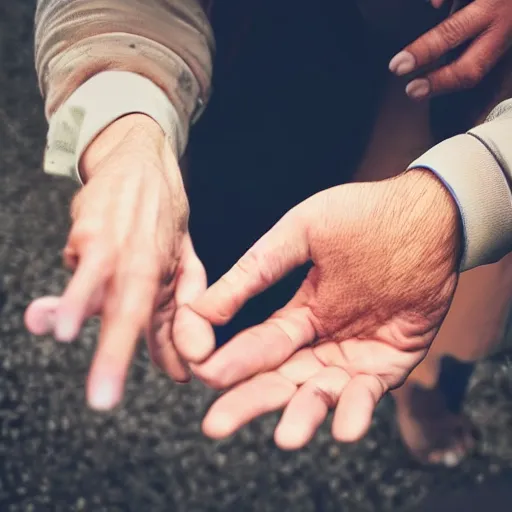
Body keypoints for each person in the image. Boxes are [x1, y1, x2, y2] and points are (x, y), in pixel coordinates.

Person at [25, 0, 512, 463]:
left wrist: (477, 183)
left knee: (447, 290)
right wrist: (126, 131)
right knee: (255, 243)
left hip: (475, 93)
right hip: (278, 54)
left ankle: (423, 388)